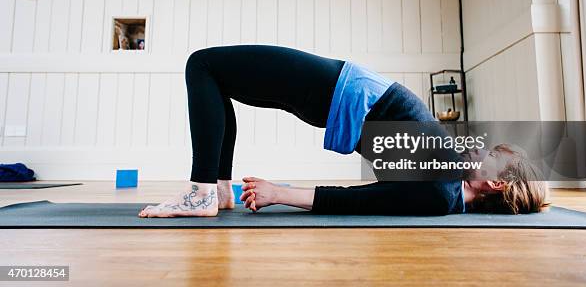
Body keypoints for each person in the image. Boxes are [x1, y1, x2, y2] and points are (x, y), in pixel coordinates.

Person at [138, 45, 549, 218]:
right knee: (217, 75)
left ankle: (202, 191)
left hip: (339, 92)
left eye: (491, 156)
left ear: (495, 182)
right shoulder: (444, 187)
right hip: (344, 94)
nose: (480, 151)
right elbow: (371, 198)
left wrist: (279, 193)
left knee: (204, 65)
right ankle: (217, 189)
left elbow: (358, 202)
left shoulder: (440, 189)